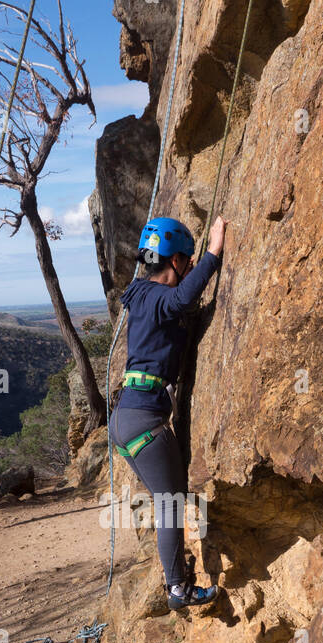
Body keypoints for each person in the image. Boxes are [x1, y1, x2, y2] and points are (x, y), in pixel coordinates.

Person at [110, 214, 227, 610]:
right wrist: (213, 252)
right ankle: (178, 587)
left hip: (127, 420)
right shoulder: (161, 297)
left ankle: (177, 577)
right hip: (144, 420)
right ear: (174, 261)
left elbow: (175, 312)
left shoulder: (141, 294)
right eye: (186, 260)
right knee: (170, 503)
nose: (189, 265)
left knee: (167, 500)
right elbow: (180, 299)